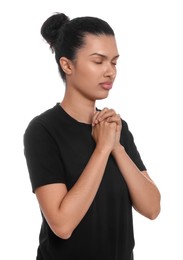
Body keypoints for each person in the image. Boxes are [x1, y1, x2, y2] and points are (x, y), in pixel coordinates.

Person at [23, 12, 161, 260]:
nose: (110, 72)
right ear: (67, 65)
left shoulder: (116, 128)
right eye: (98, 62)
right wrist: (102, 149)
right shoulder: (43, 130)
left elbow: (152, 208)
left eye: (114, 62)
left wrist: (116, 147)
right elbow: (62, 225)